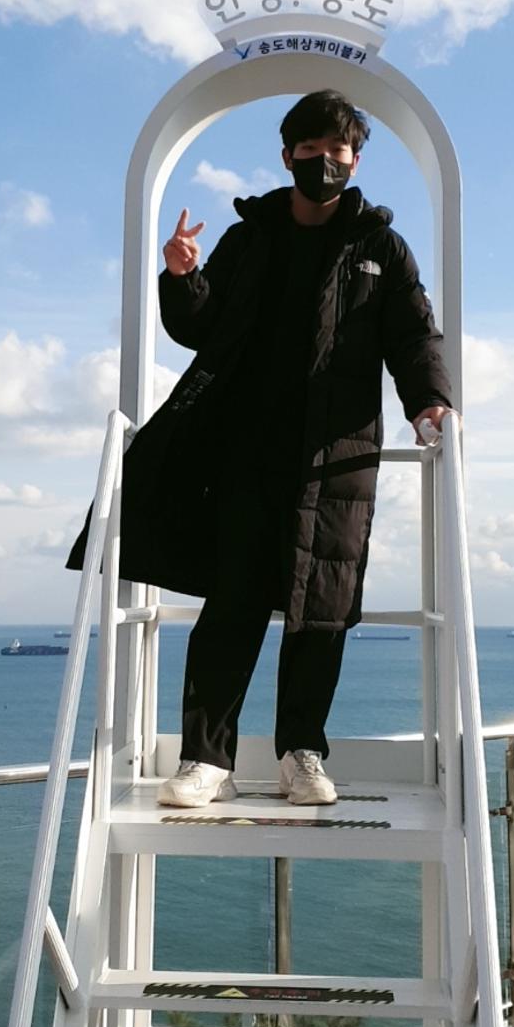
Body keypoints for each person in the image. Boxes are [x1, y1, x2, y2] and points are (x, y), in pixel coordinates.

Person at [67, 89, 452, 809]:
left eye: (337, 152)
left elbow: (413, 334)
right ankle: (204, 760)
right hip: (246, 452)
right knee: (232, 605)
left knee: (323, 611)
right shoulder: (251, 237)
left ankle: (301, 754)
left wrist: (430, 400)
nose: (324, 163)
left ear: (355, 161)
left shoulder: (380, 248)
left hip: (338, 460)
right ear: (287, 157)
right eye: (310, 151)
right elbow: (201, 328)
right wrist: (182, 276)